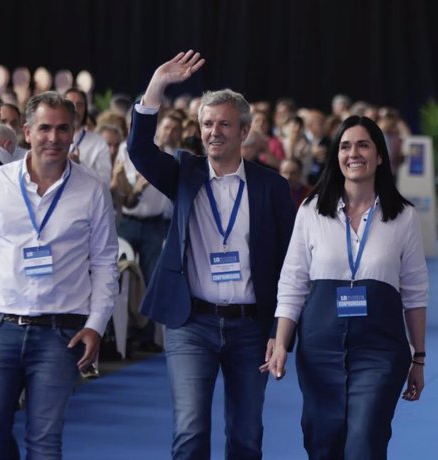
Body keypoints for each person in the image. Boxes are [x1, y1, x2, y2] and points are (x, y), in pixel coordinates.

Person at [128, 50, 295, 459]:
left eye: (224, 124)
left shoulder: (271, 187)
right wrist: (157, 84)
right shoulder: (184, 171)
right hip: (191, 323)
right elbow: (140, 152)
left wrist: (280, 330)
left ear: (245, 131)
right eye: (207, 124)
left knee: (246, 436)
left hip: (251, 328)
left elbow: (290, 265)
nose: (214, 132)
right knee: (189, 432)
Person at [0, 91, 118, 459]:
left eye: (62, 129)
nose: (53, 138)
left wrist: (96, 325)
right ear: (27, 131)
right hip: (1, 327)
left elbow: (106, 263)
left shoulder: (91, 188)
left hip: (62, 333)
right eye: (44, 128)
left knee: (44, 442)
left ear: (74, 133)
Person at [261, 115, 428, 459]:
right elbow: (292, 281)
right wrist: (280, 342)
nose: (354, 153)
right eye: (345, 146)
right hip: (319, 349)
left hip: (380, 350)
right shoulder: (311, 211)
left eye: (363, 145)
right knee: (323, 443)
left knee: (364, 441)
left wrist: (419, 358)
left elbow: (415, 292)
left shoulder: (403, 217)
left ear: (380, 155)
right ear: (336, 156)